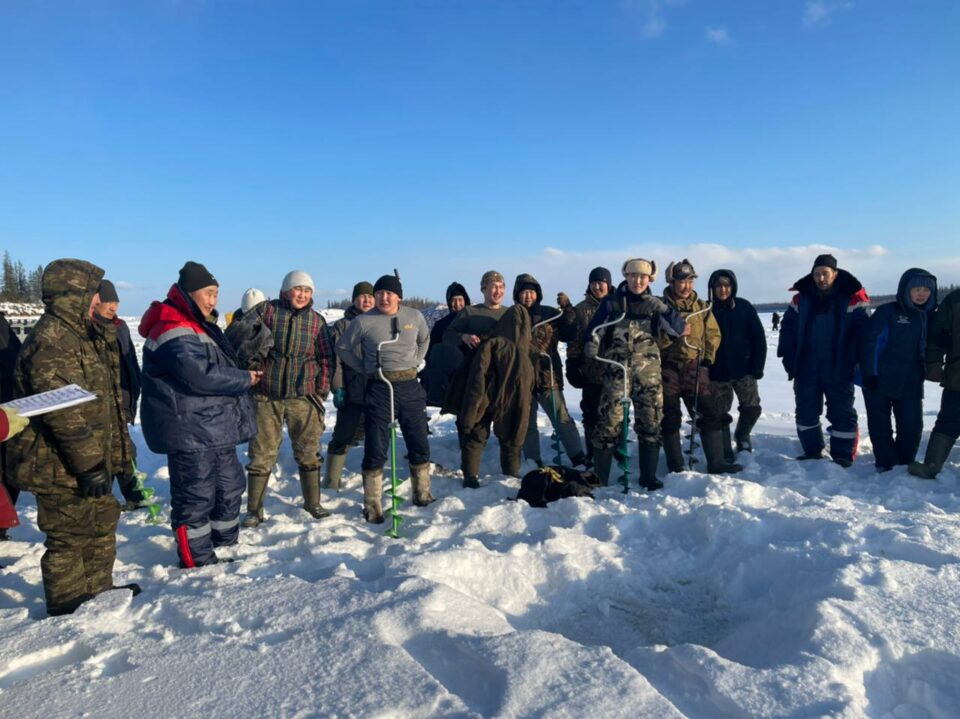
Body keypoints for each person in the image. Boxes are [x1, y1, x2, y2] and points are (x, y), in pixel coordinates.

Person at [6, 259, 139, 615]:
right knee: (68, 535)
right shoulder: (52, 341)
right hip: (57, 462)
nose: (101, 298)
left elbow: (106, 401)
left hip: (90, 457)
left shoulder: (86, 334)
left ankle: (99, 593)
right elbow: (61, 412)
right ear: (75, 294)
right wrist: (90, 463)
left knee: (101, 522)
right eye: (94, 291)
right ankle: (67, 609)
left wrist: (119, 454)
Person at [140, 261, 258, 568]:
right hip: (190, 430)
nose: (212, 300)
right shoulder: (172, 326)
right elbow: (198, 375)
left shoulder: (199, 325)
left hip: (215, 426)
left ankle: (225, 544)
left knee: (230, 486)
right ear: (187, 293)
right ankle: (198, 560)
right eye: (207, 293)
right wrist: (245, 378)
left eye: (216, 294)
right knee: (196, 496)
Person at [233, 270, 334, 527]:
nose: (302, 294)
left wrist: (320, 390)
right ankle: (254, 510)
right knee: (261, 452)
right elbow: (241, 333)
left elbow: (325, 358)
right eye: (297, 289)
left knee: (309, 450)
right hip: (267, 395)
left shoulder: (317, 322)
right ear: (286, 291)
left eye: (307, 290)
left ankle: (313, 503)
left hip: (303, 396)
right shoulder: (266, 311)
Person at [336, 274, 432, 522]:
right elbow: (344, 348)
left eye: (389, 293)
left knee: (418, 440)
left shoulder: (415, 316)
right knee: (376, 446)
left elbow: (425, 339)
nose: (384, 297)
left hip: (410, 385)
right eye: (380, 293)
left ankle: (422, 493)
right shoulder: (363, 321)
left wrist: (415, 360)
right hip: (379, 387)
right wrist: (364, 367)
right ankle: (372, 505)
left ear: (399, 296)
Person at [584, 259, 686, 489]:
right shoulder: (612, 303)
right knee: (608, 422)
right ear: (626, 277)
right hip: (616, 373)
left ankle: (648, 477)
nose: (637, 281)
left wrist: (666, 310)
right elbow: (594, 329)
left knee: (650, 422)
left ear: (649, 279)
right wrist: (591, 342)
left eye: (642, 277)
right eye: (633, 276)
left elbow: (679, 330)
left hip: (648, 377)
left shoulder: (656, 304)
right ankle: (600, 478)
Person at [778, 254, 870, 467]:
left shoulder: (853, 297)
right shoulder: (801, 298)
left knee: (841, 411)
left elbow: (863, 331)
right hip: (806, 365)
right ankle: (812, 451)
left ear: (834, 274)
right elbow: (788, 327)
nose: (821, 278)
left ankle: (843, 455)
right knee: (806, 409)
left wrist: (855, 359)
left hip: (839, 365)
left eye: (825, 273)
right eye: (817, 274)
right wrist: (788, 355)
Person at [659, 259, 740, 475]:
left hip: (695, 366)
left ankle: (717, 462)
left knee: (709, 412)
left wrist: (707, 360)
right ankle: (675, 466)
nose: (686, 286)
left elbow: (713, 334)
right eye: (681, 281)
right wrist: (671, 335)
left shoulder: (703, 307)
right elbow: (652, 339)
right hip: (667, 368)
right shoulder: (660, 307)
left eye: (690, 281)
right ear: (672, 282)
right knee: (670, 416)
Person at [859, 269, 937, 472]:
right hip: (878, 378)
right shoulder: (888, 312)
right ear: (905, 290)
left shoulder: (930, 316)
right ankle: (886, 464)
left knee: (911, 426)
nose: (922, 294)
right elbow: (870, 342)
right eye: (917, 289)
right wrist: (869, 373)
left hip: (911, 380)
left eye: (926, 290)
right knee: (880, 426)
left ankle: (904, 463)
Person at [456, 305, 536, 487]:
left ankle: (471, 475)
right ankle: (509, 473)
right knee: (510, 435)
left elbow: (478, 376)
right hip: (510, 401)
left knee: (477, 434)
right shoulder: (526, 350)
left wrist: (471, 407)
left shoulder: (492, 343)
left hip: (487, 396)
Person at [513, 273, 587, 468]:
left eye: (531, 292)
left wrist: (568, 309)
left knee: (562, 419)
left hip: (548, 375)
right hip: (522, 378)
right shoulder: (512, 315)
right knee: (527, 424)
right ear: (517, 295)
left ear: (537, 294)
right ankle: (533, 461)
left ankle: (578, 457)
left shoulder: (550, 314)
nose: (528, 296)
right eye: (524, 292)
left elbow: (569, 333)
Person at [92, 280, 151, 512]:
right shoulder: (89, 328)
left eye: (115, 302)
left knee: (126, 450)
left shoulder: (121, 327)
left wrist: (135, 390)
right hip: (101, 404)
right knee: (104, 454)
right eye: (108, 302)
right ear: (96, 302)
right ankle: (102, 500)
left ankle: (135, 495)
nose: (113, 307)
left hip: (123, 398)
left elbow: (130, 363)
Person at [441, 271, 509, 439]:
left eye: (501, 287)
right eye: (493, 287)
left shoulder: (510, 314)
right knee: (474, 425)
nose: (498, 291)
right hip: (475, 377)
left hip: (503, 377)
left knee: (505, 426)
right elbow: (447, 336)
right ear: (483, 289)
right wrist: (463, 337)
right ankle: (470, 456)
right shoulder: (470, 312)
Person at [707, 270, 767, 460]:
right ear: (712, 288)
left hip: (744, 370)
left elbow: (759, 338)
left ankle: (742, 435)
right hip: (718, 372)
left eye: (727, 285)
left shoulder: (744, 307)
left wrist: (758, 365)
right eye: (718, 286)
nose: (723, 289)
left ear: (733, 287)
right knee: (719, 413)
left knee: (752, 407)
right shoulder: (706, 309)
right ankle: (723, 447)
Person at [559, 266, 612, 464]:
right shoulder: (582, 309)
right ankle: (592, 449)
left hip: (615, 371)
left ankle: (614, 449)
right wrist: (572, 363)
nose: (598, 286)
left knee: (615, 414)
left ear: (609, 283)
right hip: (591, 372)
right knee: (591, 413)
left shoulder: (618, 305)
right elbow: (575, 340)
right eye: (594, 283)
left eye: (601, 282)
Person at [325, 281, 375, 490]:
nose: (366, 300)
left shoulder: (382, 322)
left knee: (376, 436)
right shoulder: (342, 326)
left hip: (377, 387)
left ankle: (372, 479)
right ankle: (332, 479)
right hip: (352, 387)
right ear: (354, 299)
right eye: (362, 296)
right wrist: (338, 387)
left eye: (370, 297)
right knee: (343, 434)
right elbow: (335, 360)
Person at [909, 285, 960, 479]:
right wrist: (934, 364)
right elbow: (937, 336)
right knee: (948, 421)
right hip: (958, 375)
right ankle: (931, 465)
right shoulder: (954, 301)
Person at [420, 282, 471, 407]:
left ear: (465, 301)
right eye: (453, 300)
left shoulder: (473, 321)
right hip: (444, 376)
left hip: (468, 372)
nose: (457, 304)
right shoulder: (441, 325)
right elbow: (431, 351)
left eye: (460, 299)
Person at [0, 312, 24, 540]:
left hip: (10, 415)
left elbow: (14, 364)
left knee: (9, 474)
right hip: (5, 418)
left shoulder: (3, 327)